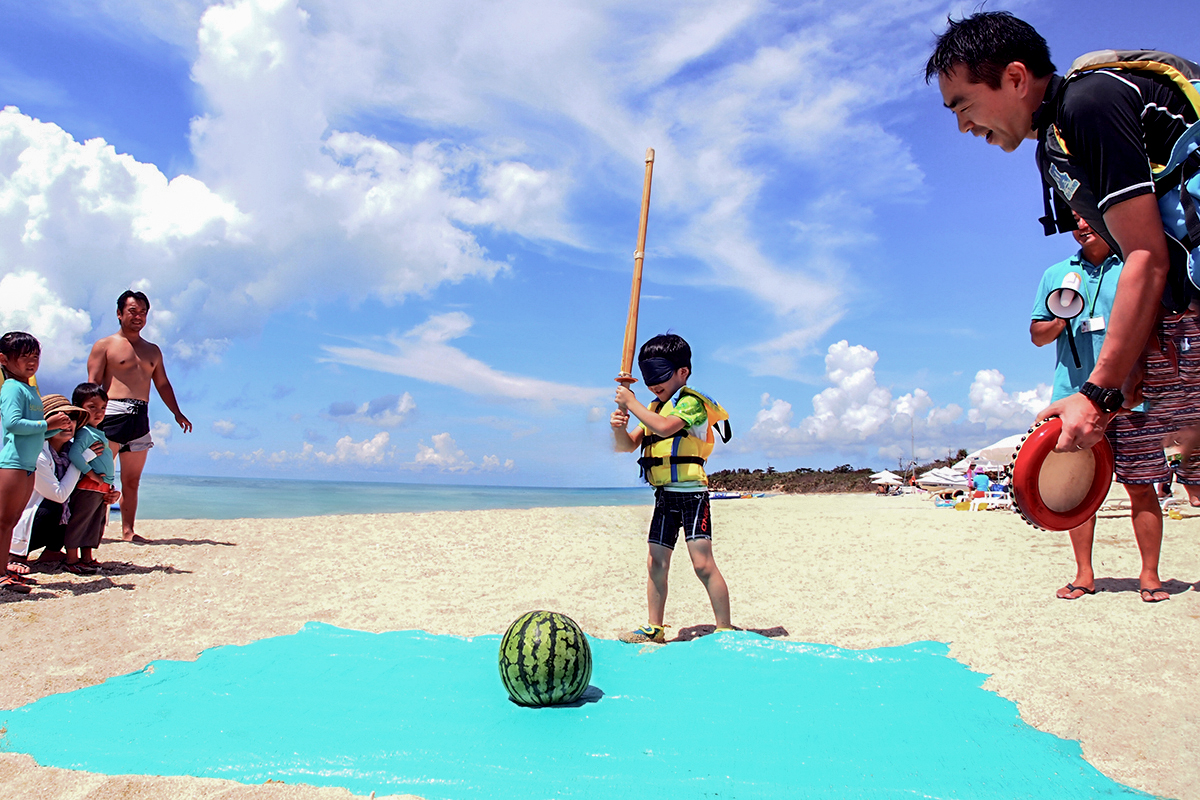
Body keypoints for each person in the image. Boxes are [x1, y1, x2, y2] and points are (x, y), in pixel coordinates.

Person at [926, 12, 1199, 455]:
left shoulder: (1090, 103)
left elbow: (1147, 256)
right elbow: (1138, 254)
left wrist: (1098, 393)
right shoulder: (1054, 148)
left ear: (1016, 78)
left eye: (963, 106)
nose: (963, 126)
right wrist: (1133, 362)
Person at [1031, 216, 1184, 602]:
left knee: (1141, 487)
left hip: (1132, 399)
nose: (1082, 224)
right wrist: (1061, 317)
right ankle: (1084, 575)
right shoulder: (1055, 274)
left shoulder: (1134, 262)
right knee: (1077, 491)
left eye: (1087, 216)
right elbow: (1036, 336)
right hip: (1073, 398)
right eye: (1074, 220)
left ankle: (1150, 575)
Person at [610, 333, 733, 643]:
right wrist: (619, 427)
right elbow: (627, 446)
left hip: (692, 496)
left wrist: (632, 402)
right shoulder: (654, 408)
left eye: (660, 375)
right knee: (656, 562)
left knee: (702, 564)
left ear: (683, 372)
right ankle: (655, 626)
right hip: (664, 497)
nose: (654, 384)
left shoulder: (691, 403)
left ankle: (724, 627)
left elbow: (665, 428)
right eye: (649, 378)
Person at [88, 290, 192, 543]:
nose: (138, 316)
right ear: (119, 313)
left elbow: (162, 383)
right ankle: (93, 530)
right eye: (132, 311)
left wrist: (177, 412)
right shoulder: (105, 345)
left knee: (132, 480)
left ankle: (128, 531)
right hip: (111, 414)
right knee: (101, 476)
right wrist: (87, 418)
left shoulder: (152, 351)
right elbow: (92, 384)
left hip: (140, 417)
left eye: (143, 312)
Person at [0, 332, 72, 594]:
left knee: (12, 520)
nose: (31, 362)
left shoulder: (29, 389)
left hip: (27, 464)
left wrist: (56, 428)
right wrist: (47, 424)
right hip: (14, 463)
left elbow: (36, 432)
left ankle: (5, 570)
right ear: (4, 360)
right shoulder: (11, 388)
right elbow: (12, 424)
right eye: (23, 357)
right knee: (4, 522)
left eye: (35, 356)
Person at [8, 394, 114, 568]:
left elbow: (94, 479)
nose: (68, 422)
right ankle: (14, 555)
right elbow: (58, 494)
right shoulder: (37, 454)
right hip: (20, 526)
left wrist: (111, 493)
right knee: (53, 507)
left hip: (44, 526)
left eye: (72, 417)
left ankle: (52, 550)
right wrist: (81, 460)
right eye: (60, 417)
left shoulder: (72, 450)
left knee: (79, 501)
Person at [63, 383, 117, 574]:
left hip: (100, 487)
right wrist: (90, 473)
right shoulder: (85, 431)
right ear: (79, 408)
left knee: (95, 523)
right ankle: (72, 559)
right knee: (80, 521)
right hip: (88, 486)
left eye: (103, 407)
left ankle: (87, 557)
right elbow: (75, 454)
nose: (99, 412)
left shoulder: (96, 432)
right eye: (92, 407)